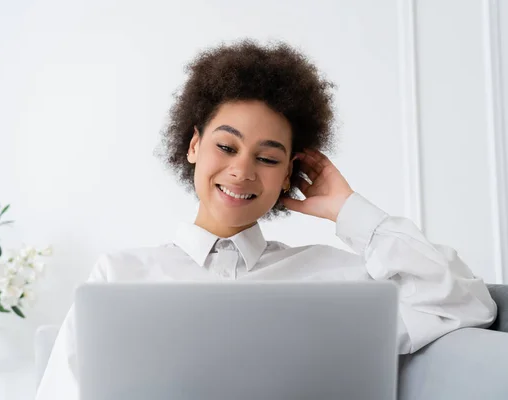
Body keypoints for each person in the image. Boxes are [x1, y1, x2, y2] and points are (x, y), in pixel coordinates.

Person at [35, 39, 497, 399]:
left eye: (268, 157)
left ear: (289, 173)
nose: (241, 170)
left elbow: (463, 304)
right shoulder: (119, 276)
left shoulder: (339, 280)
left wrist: (349, 211)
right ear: (194, 146)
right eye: (226, 146)